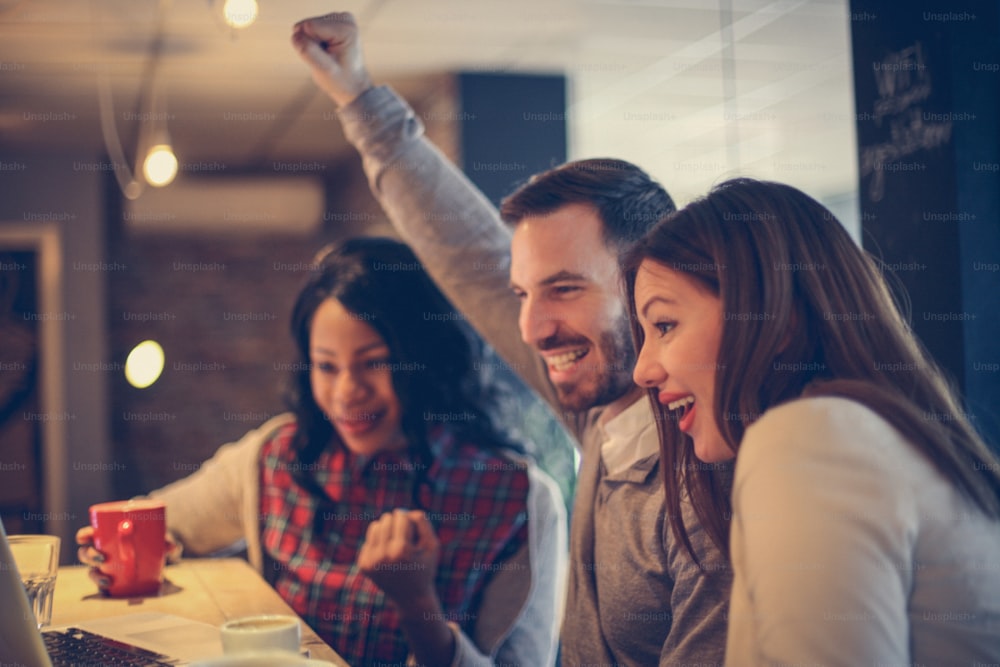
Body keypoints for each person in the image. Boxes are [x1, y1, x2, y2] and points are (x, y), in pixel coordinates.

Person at [292, 12, 733, 666]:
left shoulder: (707, 497)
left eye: (564, 288)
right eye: (526, 294)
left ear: (649, 284)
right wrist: (359, 99)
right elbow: (470, 254)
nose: (529, 326)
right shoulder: (605, 417)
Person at [77, 238, 567, 667]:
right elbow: (161, 521)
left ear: (426, 359)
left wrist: (417, 603)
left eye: (373, 363)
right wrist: (122, 551)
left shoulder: (517, 500)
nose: (346, 392)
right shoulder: (276, 457)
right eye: (326, 367)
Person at [626, 177, 1000, 664]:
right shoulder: (869, 435)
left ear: (774, 317)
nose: (642, 370)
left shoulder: (808, 440)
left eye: (665, 325)